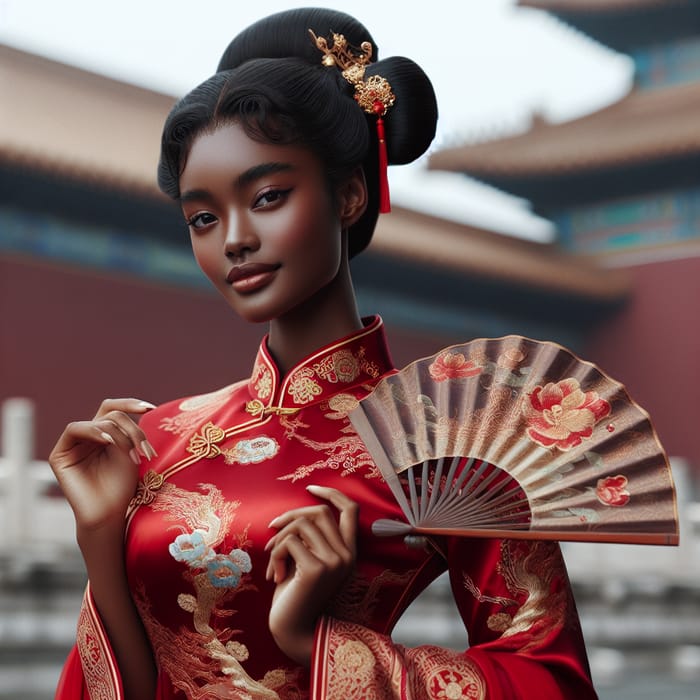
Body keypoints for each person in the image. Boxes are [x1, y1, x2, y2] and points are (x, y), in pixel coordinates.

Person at [50, 8, 597, 699]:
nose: (235, 240)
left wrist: (322, 644)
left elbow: (551, 681)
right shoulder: (160, 439)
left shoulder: (453, 439)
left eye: (269, 197)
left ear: (349, 194)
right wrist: (101, 535)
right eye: (204, 217)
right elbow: (129, 681)